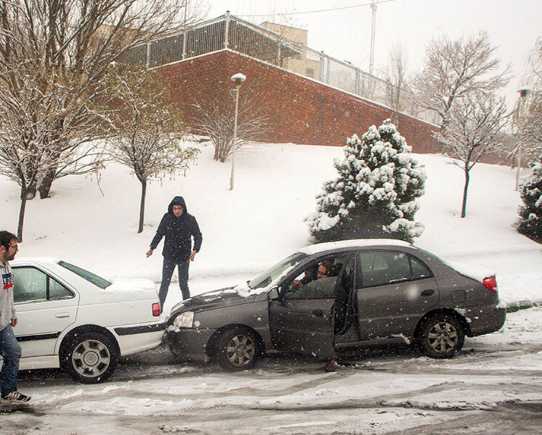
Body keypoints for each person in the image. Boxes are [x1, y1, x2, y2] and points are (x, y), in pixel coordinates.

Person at [146, 196, 202, 311]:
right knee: (164, 284)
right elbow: (159, 233)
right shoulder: (167, 218)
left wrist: (195, 250)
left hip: (184, 256)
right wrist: (152, 247)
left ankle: (187, 308)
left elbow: (198, 236)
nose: (177, 211)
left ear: (183, 208)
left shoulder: (190, 219)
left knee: (183, 284)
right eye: (175, 208)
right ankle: (159, 308)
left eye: (179, 208)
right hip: (169, 256)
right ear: (171, 208)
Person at [0, 230, 31, 403]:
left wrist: (12, 313)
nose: (16, 250)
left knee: (13, 353)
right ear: (2, 248)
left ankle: (8, 391)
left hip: (3, 324)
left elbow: (9, 292)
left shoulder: (7, 267)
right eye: (14, 247)